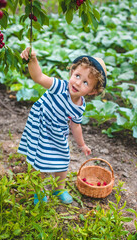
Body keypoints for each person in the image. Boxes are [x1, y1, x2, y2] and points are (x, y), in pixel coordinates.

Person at [18, 47, 107, 205]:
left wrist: (82, 144)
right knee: (40, 160)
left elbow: (76, 125)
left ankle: (59, 188)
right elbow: (39, 77)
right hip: (41, 127)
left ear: (92, 92)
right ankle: (38, 190)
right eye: (77, 76)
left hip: (57, 131)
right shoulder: (59, 86)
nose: (78, 83)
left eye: (85, 82)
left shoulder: (80, 105)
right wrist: (32, 60)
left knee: (64, 158)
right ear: (71, 72)